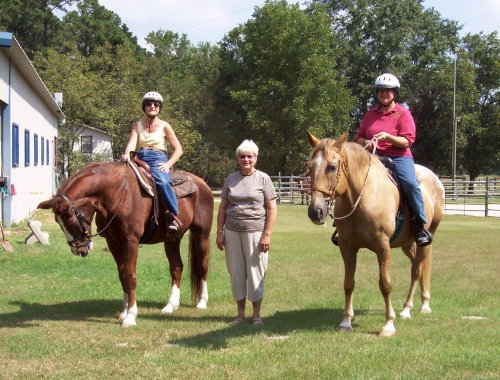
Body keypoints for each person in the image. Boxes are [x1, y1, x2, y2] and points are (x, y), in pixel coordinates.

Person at [353, 73, 432, 247]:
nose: (384, 94)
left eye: (388, 91)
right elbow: (357, 139)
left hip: (398, 157)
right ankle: (343, 226)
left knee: (410, 184)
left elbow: (408, 141)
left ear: (395, 93)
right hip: (373, 157)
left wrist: (388, 138)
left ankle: (419, 226)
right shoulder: (370, 114)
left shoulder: (403, 114)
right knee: (351, 180)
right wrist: (366, 141)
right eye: (381, 91)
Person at [216, 140, 277, 326]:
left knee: (255, 273)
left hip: (255, 233)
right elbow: (222, 207)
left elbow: (272, 208)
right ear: (237, 159)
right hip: (232, 232)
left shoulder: (263, 179)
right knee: (236, 273)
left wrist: (267, 234)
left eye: (249, 156)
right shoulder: (231, 178)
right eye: (242, 156)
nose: (246, 159)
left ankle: (256, 314)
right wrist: (219, 232)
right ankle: (240, 314)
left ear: (256, 158)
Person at [120, 91, 183, 231]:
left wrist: (168, 164)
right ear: (144, 107)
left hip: (158, 157)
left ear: (160, 107)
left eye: (156, 104)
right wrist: (126, 154)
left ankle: (173, 216)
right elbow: (132, 143)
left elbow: (178, 149)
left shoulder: (165, 126)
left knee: (163, 181)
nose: (152, 106)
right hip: (139, 156)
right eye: (149, 104)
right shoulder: (137, 125)